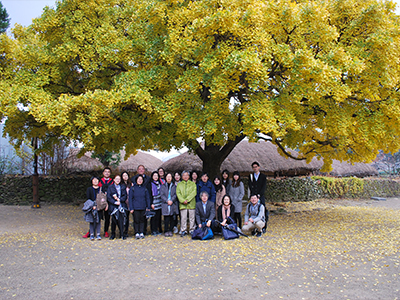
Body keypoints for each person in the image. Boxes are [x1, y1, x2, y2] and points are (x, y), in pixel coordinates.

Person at [83, 167, 113, 238]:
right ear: (103, 173)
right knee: (94, 217)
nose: (107, 173)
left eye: (108, 172)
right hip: (98, 202)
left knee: (107, 217)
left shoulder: (112, 181)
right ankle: (90, 232)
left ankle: (106, 231)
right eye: (105, 172)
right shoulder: (99, 181)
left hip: (108, 201)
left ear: (110, 173)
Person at [248, 161, 268, 233]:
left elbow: (264, 186)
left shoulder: (263, 176)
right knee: (252, 210)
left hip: (260, 195)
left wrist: (259, 194)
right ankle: (253, 227)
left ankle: (263, 226)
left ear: (258, 167)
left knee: (262, 210)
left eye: (256, 167)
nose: (255, 168)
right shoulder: (251, 176)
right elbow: (250, 186)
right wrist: (253, 195)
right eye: (253, 167)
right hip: (253, 196)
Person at [176, 171, 197, 236]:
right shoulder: (179, 184)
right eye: (184, 175)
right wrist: (183, 200)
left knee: (192, 218)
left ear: (189, 176)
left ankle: (192, 230)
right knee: (183, 218)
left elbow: (194, 192)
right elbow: (178, 193)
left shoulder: (192, 184)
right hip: (183, 204)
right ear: (182, 177)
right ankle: (183, 230)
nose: (185, 176)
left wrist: (187, 200)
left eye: (187, 175)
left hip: (191, 203)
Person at [107, 175, 128, 240]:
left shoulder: (122, 187)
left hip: (121, 205)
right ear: (113, 179)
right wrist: (115, 202)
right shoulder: (110, 187)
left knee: (121, 220)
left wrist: (120, 200)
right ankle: (113, 234)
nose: (118, 180)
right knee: (113, 221)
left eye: (119, 179)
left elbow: (125, 196)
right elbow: (109, 197)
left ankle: (122, 234)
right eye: (116, 179)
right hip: (113, 206)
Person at [160, 173, 178, 237]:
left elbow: (175, 194)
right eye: (167, 177)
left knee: (172, 218)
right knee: (166, 219)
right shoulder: (163, 186)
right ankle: (166, 230)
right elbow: (162, 195)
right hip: (165, 204)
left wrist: (172, 200)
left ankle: (170, 230)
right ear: (165, 178)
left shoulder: (174, 186)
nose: (169, 178)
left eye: (170, 177)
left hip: (172, 203)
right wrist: (167, 200)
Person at [150, 171, 163, 235]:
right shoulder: (150, 184)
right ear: (152, 176)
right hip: (154, 202)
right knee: (153, 217)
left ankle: (157, 229)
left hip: (160, 202)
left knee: (158, 217)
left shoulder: (160, 183)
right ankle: (153, 230)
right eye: (154, 175)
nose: (156, 177)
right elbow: (149, 194)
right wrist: (151, 203)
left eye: (157, 175)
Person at [121, 171, 133, 238]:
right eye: (123, 175)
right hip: (124, 203)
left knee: (128, 218)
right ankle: (123, 231)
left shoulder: (131, 184)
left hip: (130, 203)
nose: (125, 177)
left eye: (126, 175)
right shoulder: (121, 184)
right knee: (124, 218)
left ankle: (126, 231)